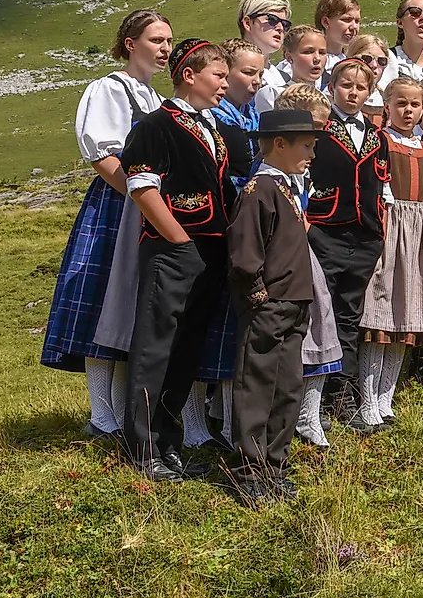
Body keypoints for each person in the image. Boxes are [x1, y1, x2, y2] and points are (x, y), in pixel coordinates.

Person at [40, 10, 170, 440]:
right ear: (130, 43)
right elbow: (102, 155)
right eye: (155, 40)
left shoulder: (154, 98)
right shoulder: (109, 89)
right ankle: (101, 414)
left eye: (168, 41)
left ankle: (115, 412)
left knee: (127, 307)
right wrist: (137, 197)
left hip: (143, 207)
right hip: (118, 207)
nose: (164, 48)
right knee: (103, 302)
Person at [120, 39, 237, 481]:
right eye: (219, 76)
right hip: (173, 251)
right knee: (155, 347)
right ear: (190, 75)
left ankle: (169, 442)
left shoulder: (213, 128)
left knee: (187, 349)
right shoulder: (156, 125)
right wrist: (181, 243)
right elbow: (143, 189)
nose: (225, 84)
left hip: (210, 250)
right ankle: (142, 449)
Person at [226, 109, 320, 505]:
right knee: (258, 387)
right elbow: (244, 254)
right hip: (270, 305)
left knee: (287, 388)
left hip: (294, 303)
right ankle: (250, 470)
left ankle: (275, 465)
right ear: (279, 144)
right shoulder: (259, 191)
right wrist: (258, 295)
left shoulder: (286, 187)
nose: (312, 155)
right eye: (307, 146)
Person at [190, 38, 268, 452]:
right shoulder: (213, 118)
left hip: (243, 226)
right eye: (245, 72)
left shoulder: (252, 116)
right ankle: (193, 421)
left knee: (232, 325)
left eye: (259, 73)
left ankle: (222, 419)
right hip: (216, 221)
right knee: (202, 322)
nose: (254, 81)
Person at [357, 77, 423, 428]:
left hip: (421, 230)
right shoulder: (380, 143)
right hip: (391, 226)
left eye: (414, 104)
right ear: (387, 106)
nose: (408, 111)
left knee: (408, 315)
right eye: (401, 104)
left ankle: (386, 399)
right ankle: (366, 401)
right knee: (381, 315)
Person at [305, 58, 390, 428]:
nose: (353, 92)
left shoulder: (377, 135)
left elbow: (380, 185)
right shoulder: (320, 129)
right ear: (332, 87)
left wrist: (379, 230)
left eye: (361, 87)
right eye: (346, 85)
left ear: (370, 92)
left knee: (350, 316)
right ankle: (313, 400)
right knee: (318, 314)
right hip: (327, 229)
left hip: (365, 235)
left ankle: (344, 399)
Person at [271, 84, 343, 449]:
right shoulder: (271, 173)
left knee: (320, 325)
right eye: (312, 127)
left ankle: (308, 414)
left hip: (304, 250)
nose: (318, 136)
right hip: (282, 258)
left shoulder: (304, 166)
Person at [254, 25, 327, 113]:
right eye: (308, 52)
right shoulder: (273, 94)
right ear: (289, 57)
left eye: (322, 52)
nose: (317, 58)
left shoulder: (325, 99)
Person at [235, 0, 292, 88]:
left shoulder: (285, 78)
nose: (280, 28)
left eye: (285, 24)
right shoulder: (226, 74)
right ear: (248, 23)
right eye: (272, 20)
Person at [344, 34, 392, 128]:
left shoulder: (388, 100)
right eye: (367, 58)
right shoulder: (335, 96)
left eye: (381, 61)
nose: (374, 65)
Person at [314, 0, 361, 70]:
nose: (354, 26)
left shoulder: (355, 62)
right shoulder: (310, 62)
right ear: (326, 22)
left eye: (357, 21)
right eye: (346, 20)